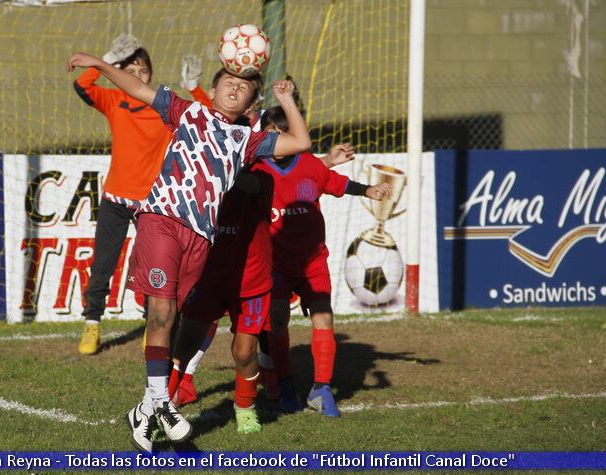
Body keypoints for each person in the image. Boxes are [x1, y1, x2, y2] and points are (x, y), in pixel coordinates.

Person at [67, 48, 312, 451]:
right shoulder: (187, 111)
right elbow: (137, 87)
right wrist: (102, 64)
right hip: (160, 219)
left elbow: (301, 141)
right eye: (229, 81)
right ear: (212, 89)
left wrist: (285, 98)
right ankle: (162, 401)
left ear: (252, 103)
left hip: (201, 237)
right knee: (161, 311)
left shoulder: (250, 141)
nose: (236, 87)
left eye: (246, 86)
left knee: (174, 318)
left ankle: (146, 409)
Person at [254, 106, 391, 417]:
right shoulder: (256, 171)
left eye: (282, 134)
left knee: (324, 318)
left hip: (313, 261)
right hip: (275, 263)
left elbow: (337, 183)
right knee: (277, 319)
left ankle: (321, 387)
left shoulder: (308, 166)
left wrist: (369, 189)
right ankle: (286, 383)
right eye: (269, 134)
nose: (276, 142)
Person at [71, 34, 170, 355]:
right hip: (115, 199)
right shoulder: (115, 100)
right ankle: (92, 324)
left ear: (151, 75)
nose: (137, 76)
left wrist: (195, 86)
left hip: (153, 203)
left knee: (151, 267)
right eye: (129, 70)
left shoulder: (166, 106)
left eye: (142, 71)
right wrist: (109, 57)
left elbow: (206, 114)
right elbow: (83, 86)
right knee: (103, 263)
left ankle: (152, 324)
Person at [168, 167, 274, 433]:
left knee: (244, 351)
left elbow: (249, 184)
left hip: (251, 281)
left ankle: (245, 408)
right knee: (183, 346)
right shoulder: (201, 179)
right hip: (209, 279)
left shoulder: (261, 176)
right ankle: (161, 409)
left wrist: (218, 165)